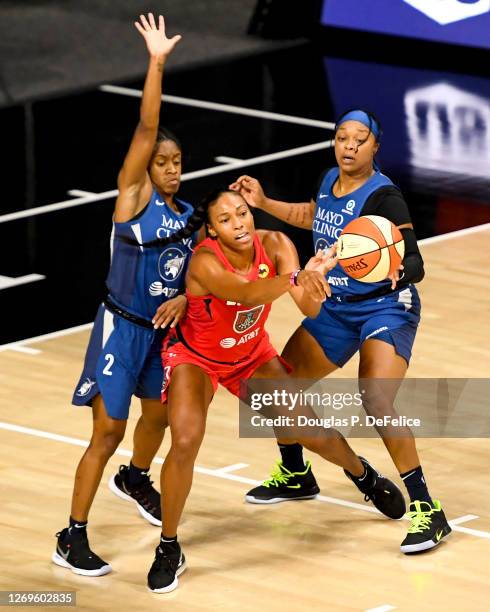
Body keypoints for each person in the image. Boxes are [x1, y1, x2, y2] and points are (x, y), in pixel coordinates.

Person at [145, 188, 405, 593]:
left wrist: (318, 274)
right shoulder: (205, 261)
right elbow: (245, 293)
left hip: (251, 357)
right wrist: (295, 278)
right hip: (196, 357)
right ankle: (169, 545)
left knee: (312, 432)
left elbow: (310, 308)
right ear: (212, 230)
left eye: (243, 213)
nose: (239, 223)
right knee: (185, 439)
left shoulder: (277, 244)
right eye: (226, 219)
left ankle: (364, 476)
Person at [230, 108, 451, 554]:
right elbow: (316, 216)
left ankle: (428, 509)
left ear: (375, 147)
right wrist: (265, 204)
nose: (349, 146)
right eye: (342, 138)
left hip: (386, 307)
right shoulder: (330, 178)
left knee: (376, 397)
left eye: (359, 139)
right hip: (337, 308)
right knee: (278, 389)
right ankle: (295, 474)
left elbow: (416, 262)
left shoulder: (384, 197)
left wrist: (395, 271)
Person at [52, 14, 197, 576]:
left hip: (161, 335)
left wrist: (186, 299)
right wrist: (156, 64)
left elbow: (197, 277)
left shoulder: (188, 217)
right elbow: (146, 127)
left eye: (177, 163)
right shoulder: (134, 200)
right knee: (107, 430)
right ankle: (72, 536)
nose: (170, 170)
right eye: (162, 162)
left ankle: (135, 478)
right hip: (120, 326)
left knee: (158, 417)